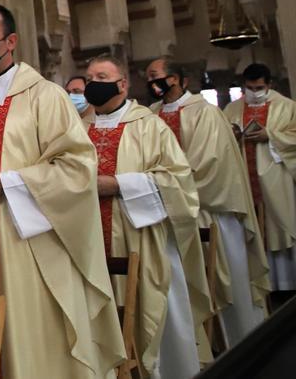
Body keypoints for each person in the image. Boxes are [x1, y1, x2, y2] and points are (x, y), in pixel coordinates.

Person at [0, 2, 123, 378]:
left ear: (10, 41)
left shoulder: (45, 97)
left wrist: (4, 183)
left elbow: (77, 169)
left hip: (26, 251)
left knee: (30, 353)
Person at [83, 55, 208, 378]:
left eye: (102, 75)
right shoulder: (77, 127)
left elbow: (177, 181)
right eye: (89, 77)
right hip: (89, 243)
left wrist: (119, 184)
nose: (93, 82)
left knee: (156, 312)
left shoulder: (148, 125)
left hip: (142, 240)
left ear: (122, 84)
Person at [146, 56, 269, 344]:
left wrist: (162, 187)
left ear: (174, 79)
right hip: (166, 213)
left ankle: (241, 345)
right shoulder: (149, 115)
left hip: (210, 213)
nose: (150, 82)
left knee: (225, 284)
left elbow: (208, 164)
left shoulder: (206, 113)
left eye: (155, 75)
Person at [223, 63, 296, 293]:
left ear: (270, 85)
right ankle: (262, 284)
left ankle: (287, 284)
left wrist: (271, 136)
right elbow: (220, 138)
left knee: (280, 228)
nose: (254, 92)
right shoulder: (233, 109)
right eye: (249, 88)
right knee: (253, 231)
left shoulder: (286, 106)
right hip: (245, 178)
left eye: (259, 87)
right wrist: (233, 135)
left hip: (276, 179)